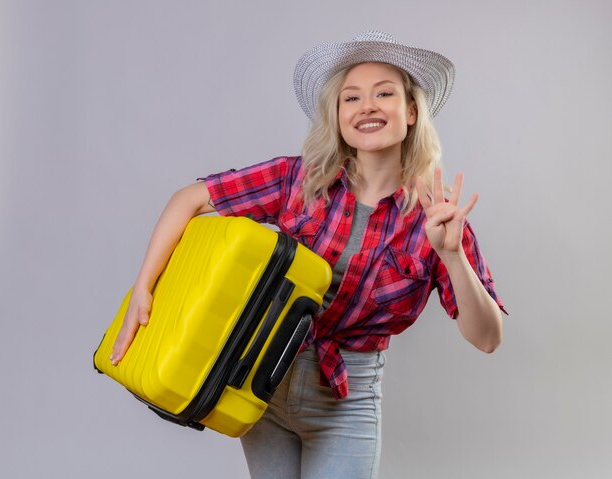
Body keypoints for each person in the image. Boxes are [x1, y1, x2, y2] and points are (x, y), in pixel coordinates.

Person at [109, 31, 505, 479]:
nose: (367, 106)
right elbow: (191, 199)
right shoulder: (298, 181)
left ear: (411, 111)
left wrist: (452, 256)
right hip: (264, 383)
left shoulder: (437, 220)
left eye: (384, 93)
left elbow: (487, 337)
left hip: (347, 401)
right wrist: (144, 286)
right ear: (338, 116)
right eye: (351, 97)